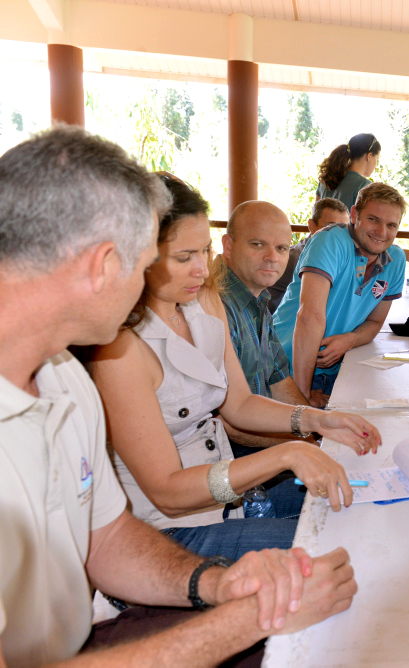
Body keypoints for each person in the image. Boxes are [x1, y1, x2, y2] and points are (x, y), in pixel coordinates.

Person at [0, 126, 357, 666]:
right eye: (148, 263)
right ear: (102, 265)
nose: (158, 281)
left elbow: (108, 537)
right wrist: (247, 619)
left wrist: (215, 584)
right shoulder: (109, 358)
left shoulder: (62, 377)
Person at [90, 175, 381, 562]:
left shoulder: (204, 302)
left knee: (360, 505)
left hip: (228, 500)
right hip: (165, 534)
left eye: (203, 251)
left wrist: (315, 420)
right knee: (339, 540)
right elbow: (168, 494)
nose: (200, 268)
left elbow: (239, 403)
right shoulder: (119, 347)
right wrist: (287, 454)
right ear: (137, 255)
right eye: (183, 257)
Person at [274, 182, 407, 407]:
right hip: (283, 368)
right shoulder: (330, 240)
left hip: (336, 369)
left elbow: (375, 322)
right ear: (355, 215)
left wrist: (350, 340)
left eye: (391, 225)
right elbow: (309, 316)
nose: (382, 232)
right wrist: (302, 395)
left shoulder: (396, 260)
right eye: (374, 219)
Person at [218, 199, 318, 453]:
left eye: (282, 248)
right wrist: (307, 445)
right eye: (257, 244)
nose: (272, 257)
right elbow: (230, 424)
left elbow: (279, 380)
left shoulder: (259, 299)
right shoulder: (216, 306)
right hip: (230, 459)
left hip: (264, 442)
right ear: (228, 246)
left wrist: (313, 430)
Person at [269, 197, 350, 313]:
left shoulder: (338, 255)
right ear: (311, 226)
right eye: (331, 227)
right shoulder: (296, 258)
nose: (337, 234)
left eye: (343, 228)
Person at [316, 132, 380, 208]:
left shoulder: (327, 178)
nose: (376, 166)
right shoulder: (364, 186)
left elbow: (315, 215)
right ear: (369, 156)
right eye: (377, 159)